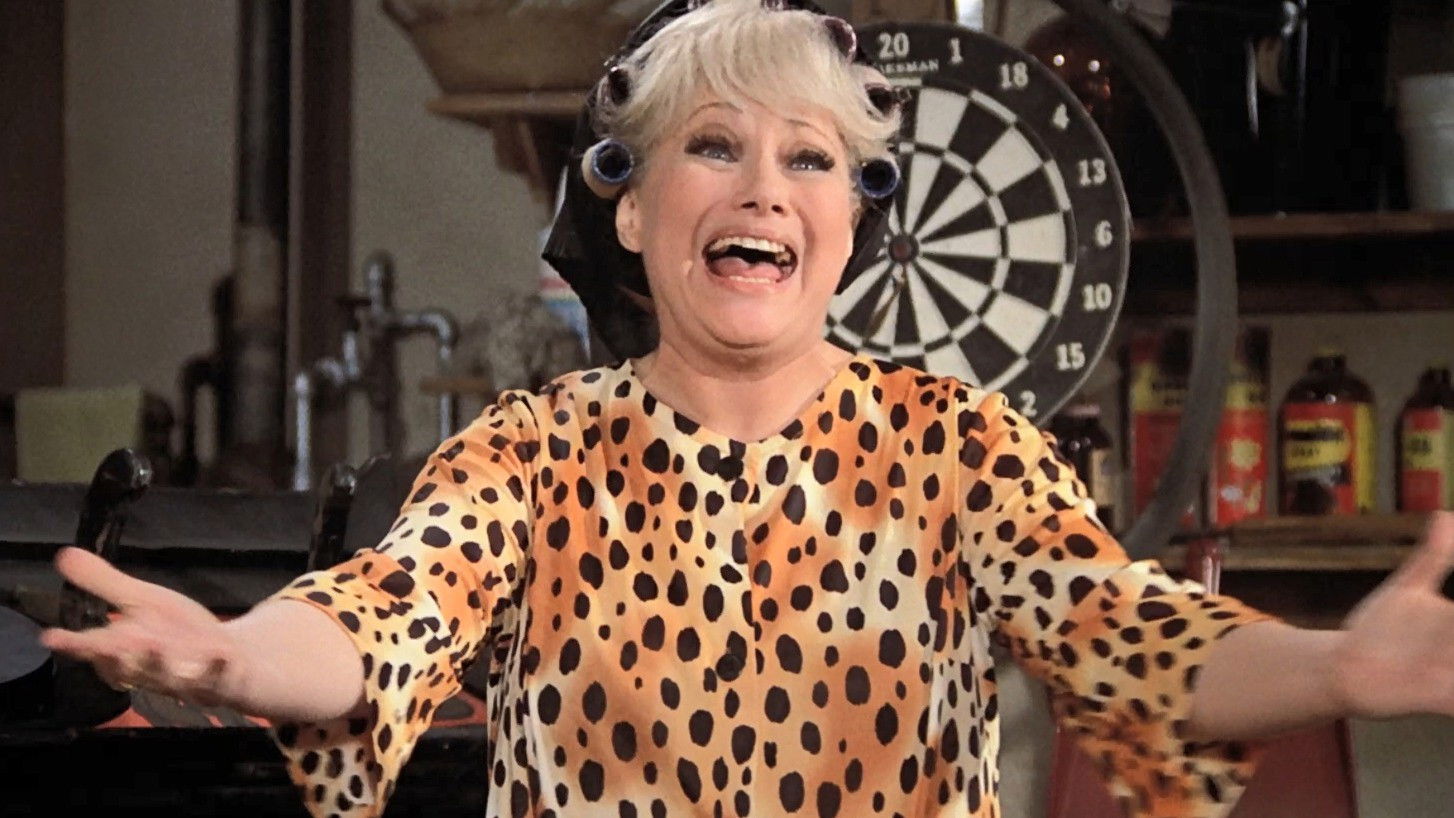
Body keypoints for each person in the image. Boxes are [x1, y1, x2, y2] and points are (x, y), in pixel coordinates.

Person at [40, 1, 1454, 816]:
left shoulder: (957, 448)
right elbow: (375, 622)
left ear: (849, 221)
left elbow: (1143, 646)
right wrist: (237, 653)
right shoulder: (531, 452)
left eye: (811, 158)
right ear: (634, 206)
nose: (766, 187)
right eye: (714, 146)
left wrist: (1337, 666)